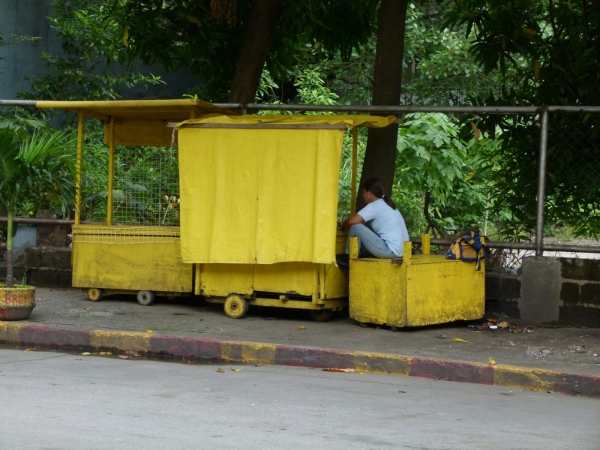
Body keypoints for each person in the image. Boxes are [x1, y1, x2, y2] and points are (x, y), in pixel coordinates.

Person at [340, 178, 410, 259]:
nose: (363, 195)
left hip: (390, 251)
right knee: (368, 224)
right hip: (403, 252)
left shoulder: (375, 205)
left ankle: (348, 259)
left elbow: (351, 222)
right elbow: (365, 223)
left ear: (369, 193)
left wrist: (342, 224)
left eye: (364, 192)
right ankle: (360, 253)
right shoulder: (386, 204)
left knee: (356, 227)